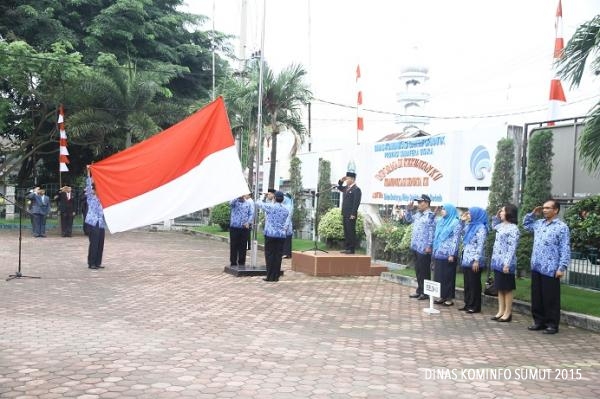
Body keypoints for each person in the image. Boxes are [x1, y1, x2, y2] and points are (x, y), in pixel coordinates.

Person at [523, 199, 571, 334]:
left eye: (547, 208)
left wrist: (562, 267)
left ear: (555, 210)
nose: (544, 210)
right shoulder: (539, 224)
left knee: (550, 297)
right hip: (537, 265)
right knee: (537, 296)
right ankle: (539, 321)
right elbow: (526, 225)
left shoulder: (562, 227)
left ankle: (552, 324)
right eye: (543, 208)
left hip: (551, 267)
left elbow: (565, 248)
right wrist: (533, 214)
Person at [490, 204, 520, 323]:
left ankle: (508, 313)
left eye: (502, 211)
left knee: (507, 288)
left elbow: (512, 247)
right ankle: (500, 311)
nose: (501, 213)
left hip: (506, 263)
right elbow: (493, 226)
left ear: (509, 213)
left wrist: (507, 263)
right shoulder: (500, 226)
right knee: (499, 288)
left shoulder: (514, 228)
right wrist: (497, 216)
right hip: (497, 261)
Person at [404, 194, 435, 300]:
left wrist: (429, 246)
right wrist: (408, 210)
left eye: (420, 202)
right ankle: (420, 290)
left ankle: (425, 293)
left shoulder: (430, 215)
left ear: (426, 203)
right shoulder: (418, 214)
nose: (418, 204)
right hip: (416, 246)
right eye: (418, 202)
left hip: (424, 248)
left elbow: (432, 232)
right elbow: (408, 220)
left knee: (424, 271)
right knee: (418, 270)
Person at [458, 207, 488, 314]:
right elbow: (459, 233)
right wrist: (462, 221)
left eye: (470, 213)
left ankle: (475, 306)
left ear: (476, 214)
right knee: (467, 283)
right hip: (466, 258)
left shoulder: (481, 228)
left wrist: (476, 260)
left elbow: (480, 245)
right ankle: (467, 304)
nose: (468, 215)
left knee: (474, 284)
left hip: (474, 260)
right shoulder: (469, 226)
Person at [256, 190, 289, 282]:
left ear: (274, 198)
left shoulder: (270, 206)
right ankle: (276, 276)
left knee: (270, 255)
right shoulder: (286, 210)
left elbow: (258, 203)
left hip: (270, 234)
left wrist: (263, 197)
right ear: (282, 200)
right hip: (281, 235)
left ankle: (270, 276)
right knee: (278, 256)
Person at [432, 203, 461, 307]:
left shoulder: (455, 222)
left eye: (444, 209)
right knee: (439, 276)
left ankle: (449, 298)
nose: (442, 211)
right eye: (442, 209)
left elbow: (455, 240)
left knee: (448, 277)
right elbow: (436, 236)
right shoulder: (441, 221)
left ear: (450, 210)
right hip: (439, 253)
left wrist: (452, 254)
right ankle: (441, 296)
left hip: (448, 254)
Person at [85, 166, 106, 270]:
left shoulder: (102, 198)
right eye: (95, 189)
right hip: (92, 222)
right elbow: (88, 185)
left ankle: (98, 262)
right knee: (94, 243)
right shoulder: (90, 197)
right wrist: (89, 172)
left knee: (100, 243)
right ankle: (91, 263)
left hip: (101, 222)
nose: (96, 191)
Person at [337, 172, 362, 254]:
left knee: (351, 231)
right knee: (346, 231)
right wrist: (341, 180)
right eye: (346, 178)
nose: (346, 180)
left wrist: (353, 214)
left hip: (351, 214)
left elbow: (356, 203)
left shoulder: (356, 189)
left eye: (348, 179)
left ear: (352, 179)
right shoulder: (346, 188)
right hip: (345, 213)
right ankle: (347, 247)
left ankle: (351, 249)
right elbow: (339, 187)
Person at [229, 194, 254, 267]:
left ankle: (241, 262)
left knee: (243, 246)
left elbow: (251, 214)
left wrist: (248, 222)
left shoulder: (248, 203)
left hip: (244, 228)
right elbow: (230, 203)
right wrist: (237, 196)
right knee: (234, 245)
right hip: (234, 227)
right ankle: (233, 262)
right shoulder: (234, 202)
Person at [282, 193, 294, 258]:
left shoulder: (289, 206)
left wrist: (286, 225)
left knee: (287, 239)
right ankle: (285, 253)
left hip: (287, 226)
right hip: (283, 225)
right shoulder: (284, 205)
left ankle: (287, 254)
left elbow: (289, 217)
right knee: (285, 239)